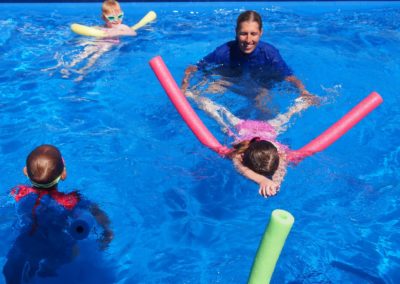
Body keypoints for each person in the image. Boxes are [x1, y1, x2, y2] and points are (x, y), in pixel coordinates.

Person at [3, 145, 113, 283]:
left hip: (23, 241)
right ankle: (49, 269)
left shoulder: (18, 192)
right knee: (73, 252)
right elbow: (96, 212)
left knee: (13, 272)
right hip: (55, 242)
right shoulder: (70, 200)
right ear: (63, 175)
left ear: (25, 171)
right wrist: (108, 231)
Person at [185, 91, 313, 197]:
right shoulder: (239, 154)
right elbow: (242, 169)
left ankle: (193, 95)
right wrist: (264, 180)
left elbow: (279, 170)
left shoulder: (278, 154)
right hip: (255, 128)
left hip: (252, 129)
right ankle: (302, 103)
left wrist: (274, 183)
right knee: (287, 115)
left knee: (219, 112)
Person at [182, 10, 315, 110]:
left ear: (261, 33)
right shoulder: (224, 51)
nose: (248, 40)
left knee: (263, 106)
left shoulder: (269, 53)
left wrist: (303, 91)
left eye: (253, 34)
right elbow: (195, 68)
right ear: (236, 32)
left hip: (261, 87)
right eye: (243, 33)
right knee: (199, 95)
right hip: (230, 83)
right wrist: (185, 85)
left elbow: (289, 77)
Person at [45, 0, 136, 82]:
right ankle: (68, 67)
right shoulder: (102, 27)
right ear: (104, 18)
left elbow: (133, 33)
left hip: (109, 44)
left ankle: (82, 71)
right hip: (97, 42)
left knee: (94, 57)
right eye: (112, 18)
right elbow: (92, 31)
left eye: (120, 16)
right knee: (83, 54)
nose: (117, 20)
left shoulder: (122, 27)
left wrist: (116, 32)